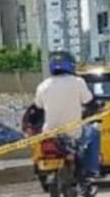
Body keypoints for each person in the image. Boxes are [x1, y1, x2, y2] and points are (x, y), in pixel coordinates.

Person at [30, 50, 101, 180]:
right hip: (73, 132)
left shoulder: (43, 86)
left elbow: (37, 108)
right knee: (95, 132)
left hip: (50, 133)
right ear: (71, 65)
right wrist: (98, 110)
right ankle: (91, 171)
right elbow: (91, 103)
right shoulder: (78, 82)